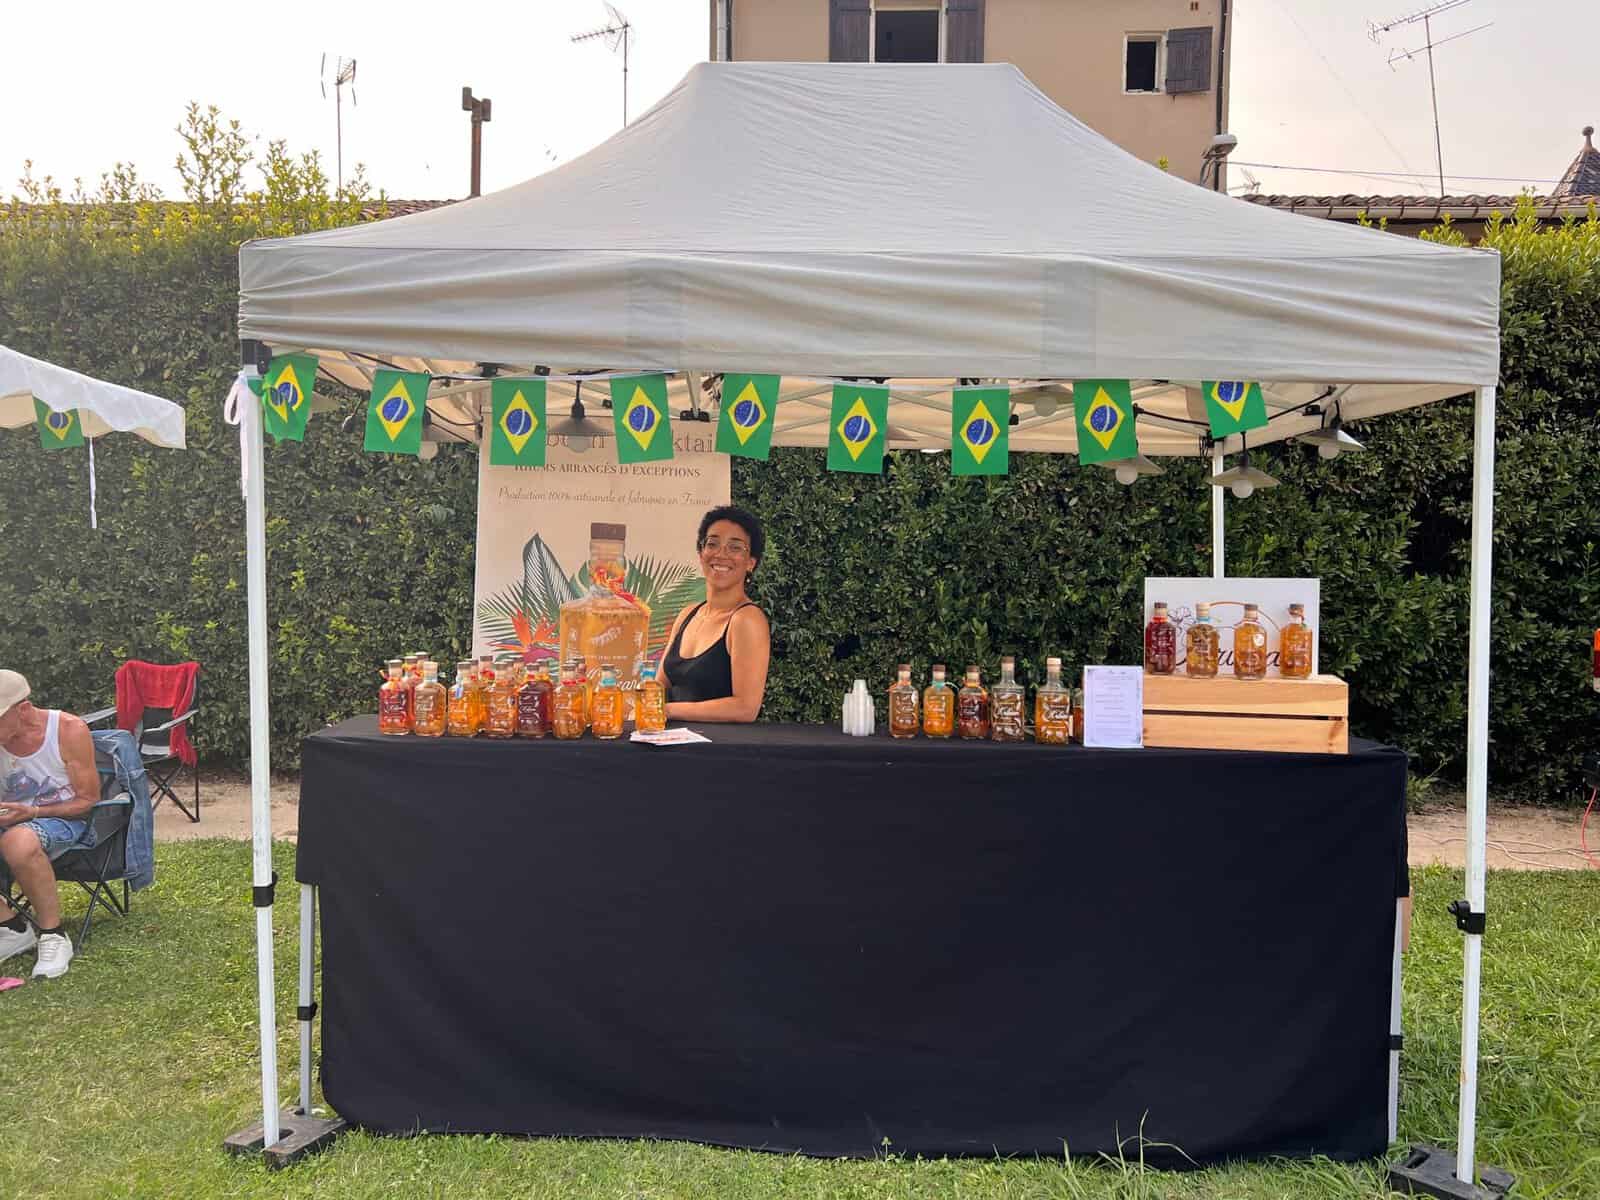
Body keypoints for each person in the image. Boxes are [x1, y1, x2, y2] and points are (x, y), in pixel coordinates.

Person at [0, 670, 99, 979]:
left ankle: (53, 935)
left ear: (23, 709)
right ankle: (11, 928)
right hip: (9, 818)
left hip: (63, 819)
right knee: (14, 836)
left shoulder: (68, 730)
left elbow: (87, 800)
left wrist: (31, 812)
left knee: (18, 841)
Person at [660, 506, 772, 723]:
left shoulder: (746, 620)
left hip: (719, 744)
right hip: (666, 740)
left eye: (735, 547)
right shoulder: (687, 615)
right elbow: (659, 688)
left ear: (751, 562)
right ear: (701, 554)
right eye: (712, 544)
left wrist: (667, 710)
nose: (721, 554)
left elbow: (745, 708)